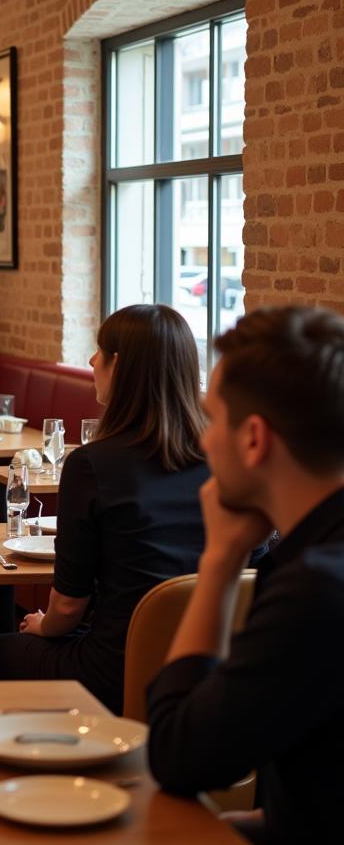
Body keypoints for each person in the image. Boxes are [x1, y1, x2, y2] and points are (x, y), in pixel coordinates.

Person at [148, 307, 344, 843]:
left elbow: (178, 755)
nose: (204, 441)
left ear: (254, 439)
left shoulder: (317, 592)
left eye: (213, 419)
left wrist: (220, 561)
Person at [0, 305, 212, 715]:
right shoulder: (222, 461)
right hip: (206, 673)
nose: (92, 361)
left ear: (121, 367)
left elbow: (68, 607)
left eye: (101, 351)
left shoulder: (93, 465)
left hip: (116, 671)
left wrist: (45, 624)